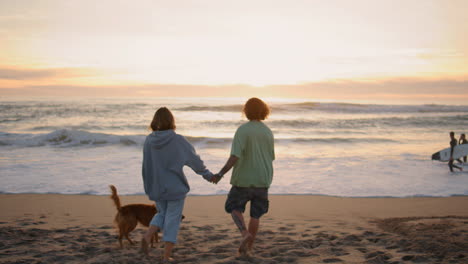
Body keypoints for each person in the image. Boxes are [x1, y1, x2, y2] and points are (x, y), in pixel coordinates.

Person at [140, 107, 217, 261]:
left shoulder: (149, 140)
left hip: (156, 187)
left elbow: (146, 166)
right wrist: (207, 175)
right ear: (171, 121)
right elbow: (194, 160)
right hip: (175, 188)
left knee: (162, 213)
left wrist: (149, 186)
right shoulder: (178, 140)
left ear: (155, 122)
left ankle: (148, 236)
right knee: (173, 220)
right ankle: (166, 256)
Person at [213, 97, 275, 257]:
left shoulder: (243, 130)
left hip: (244, 179)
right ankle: (249, 249)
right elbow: (271, 157)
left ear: (246, 111)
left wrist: (220, 173)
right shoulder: (267, 131)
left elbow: (235, 156)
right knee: (256, 215)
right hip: (263, 179)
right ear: (264, 111)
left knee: (233, 207)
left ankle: (244, 234)